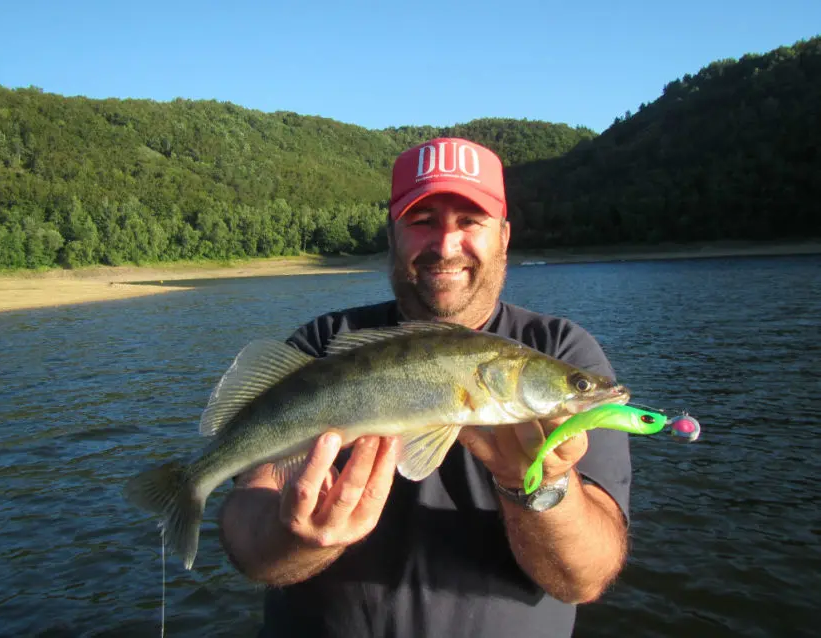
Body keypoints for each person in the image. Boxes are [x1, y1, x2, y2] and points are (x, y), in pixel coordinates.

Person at [218, 137, 632, 638]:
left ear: (504, 236)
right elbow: (247, 523)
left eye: (470, 221)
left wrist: (542, 487)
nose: (445, 244)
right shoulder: (324, 345)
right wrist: (298, 540)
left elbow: (583, 580)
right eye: (422, 220)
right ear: (392, 235)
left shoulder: (561, 348)